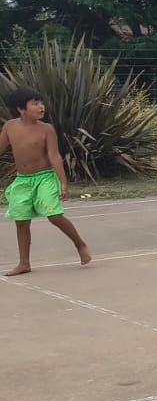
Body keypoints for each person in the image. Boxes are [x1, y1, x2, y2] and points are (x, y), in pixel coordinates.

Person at [2, 88, 91, 275]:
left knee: (54, 216)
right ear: (21, 109)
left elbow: (54, 156)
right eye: (35, 104)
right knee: (21, 221)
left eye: (41, 103)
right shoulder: (9, 126)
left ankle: (80, 244)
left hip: (45, 178)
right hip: (22, 181)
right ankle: (24, 263)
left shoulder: (46, 129)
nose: (41, 107)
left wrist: (63, 182)